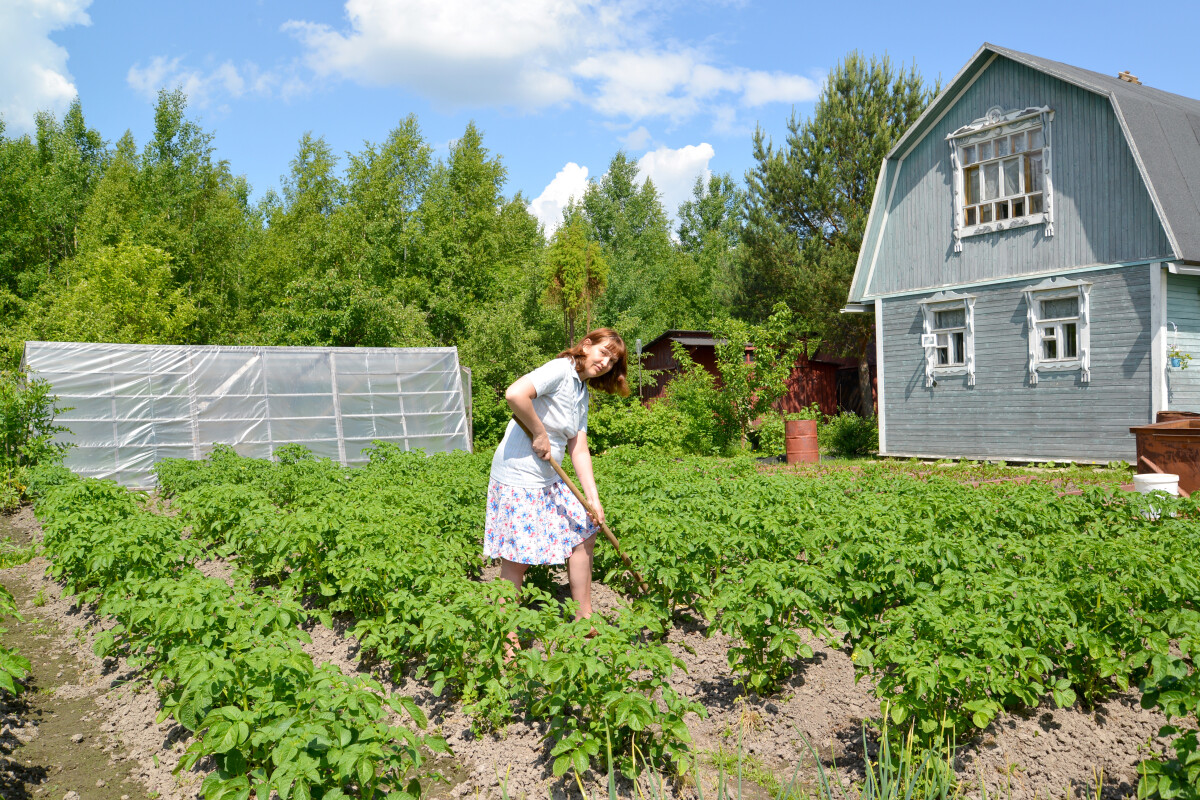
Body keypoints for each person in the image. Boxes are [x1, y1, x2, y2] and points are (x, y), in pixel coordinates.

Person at [484, 328, 630, 625]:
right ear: (586, 345)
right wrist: (539, 432)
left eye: (613, 361)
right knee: (516, 561)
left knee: (584, 531)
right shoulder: (561, 370)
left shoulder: (580, 389)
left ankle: (584, 619)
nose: (606, 363)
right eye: (603, 352)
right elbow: (515, 394)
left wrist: (593, 499)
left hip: (549, 478)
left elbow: (579, 448)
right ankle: (506, 637)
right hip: (520, 476)